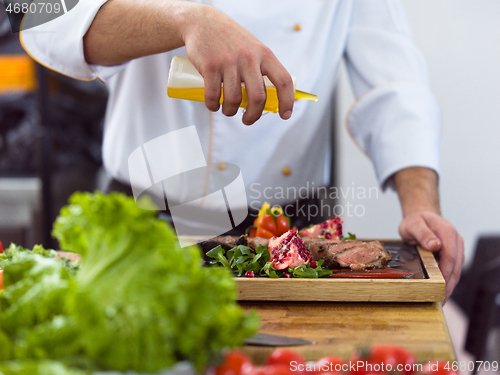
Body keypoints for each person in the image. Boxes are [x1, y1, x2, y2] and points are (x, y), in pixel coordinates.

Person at [20, 0, 464, 301]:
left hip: (292, 231)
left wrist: (421, 204)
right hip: (148, 219)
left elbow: (395, 84)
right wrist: (184, 18)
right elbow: (43, 16)